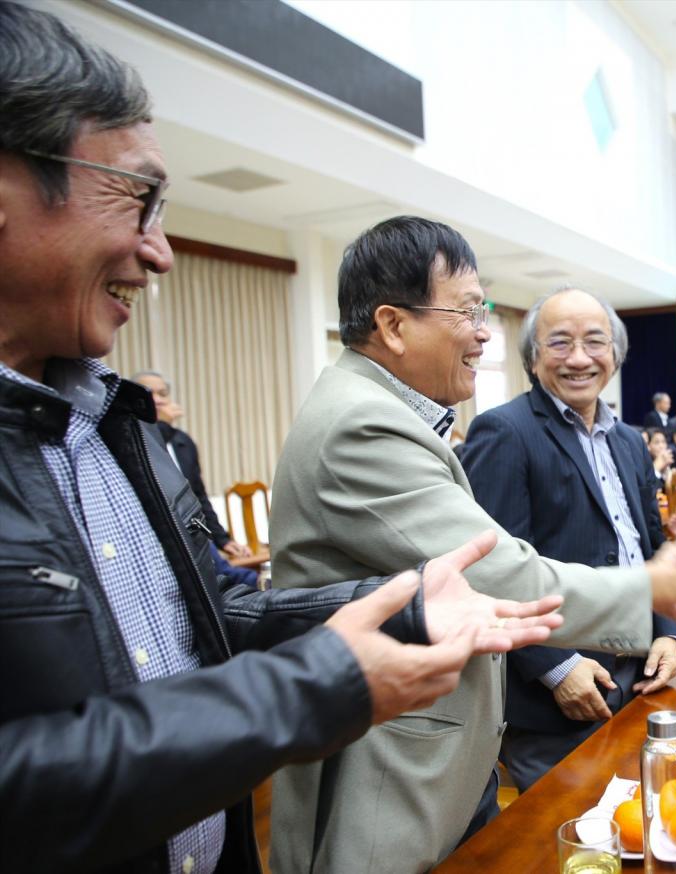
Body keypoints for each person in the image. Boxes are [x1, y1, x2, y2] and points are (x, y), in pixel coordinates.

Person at [0, 5, 566, 871]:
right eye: (138, 198)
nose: (161, 253)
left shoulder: (114, 426)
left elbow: (206, 621)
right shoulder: (356, 418)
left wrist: (405, 601)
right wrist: (313, 690)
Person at [267, 218, 676, 873]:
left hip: (446, 748)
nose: (485, 331)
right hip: (389, 768)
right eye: (469, 310)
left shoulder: (393, 413)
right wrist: (654, 587)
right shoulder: (361, 426)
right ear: (394, 326)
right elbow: (499, 573)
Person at [461, 288, 676, 790]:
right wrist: (556, 667)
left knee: (645, 825)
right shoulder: (503, 431)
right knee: (570, 844)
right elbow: (488, 572)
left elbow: (652, 549)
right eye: (560, 343)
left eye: (595, 342)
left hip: (643, 674)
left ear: (616, 353)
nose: (580, 358)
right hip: (561, 692)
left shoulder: (628, 439)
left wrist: (670, 633)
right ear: (532, 357)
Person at [132, 370, 253, 558]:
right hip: (155, 542)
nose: (159, 400)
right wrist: (162, 425)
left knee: (242, 577)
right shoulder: (131, 440)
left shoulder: (182, 442)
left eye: (163, 394)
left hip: (192, 537)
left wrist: (222, 539)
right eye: (150, 393)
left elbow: (198, 495)